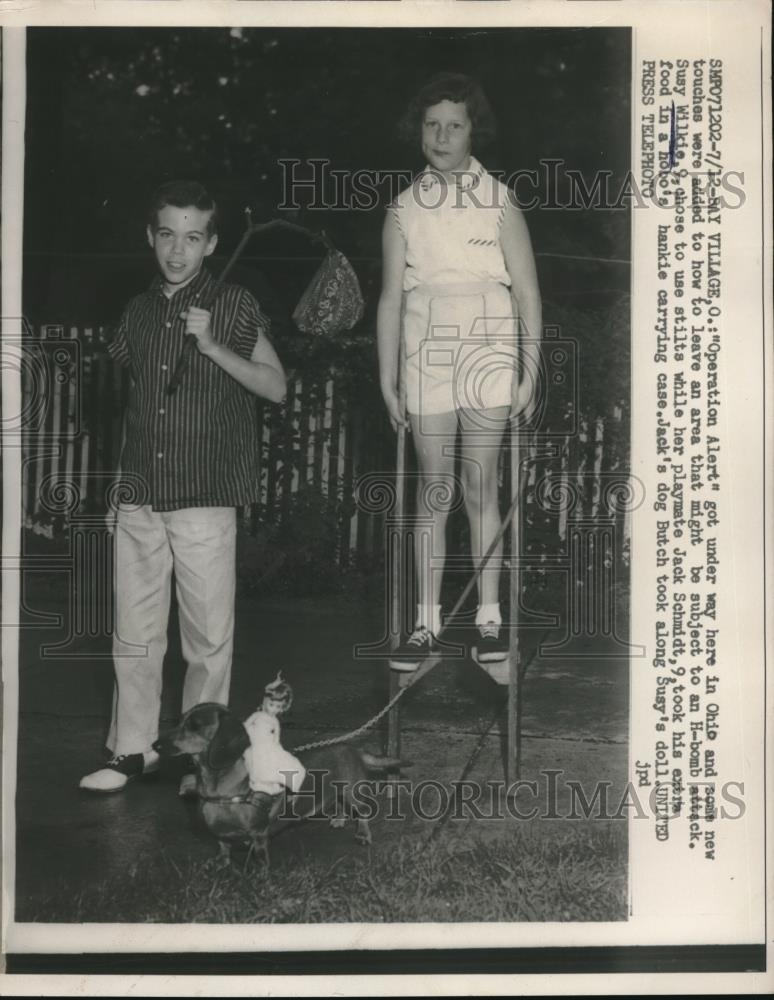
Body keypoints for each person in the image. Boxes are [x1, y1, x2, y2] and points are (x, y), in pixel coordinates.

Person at [80, 180, 287, 793]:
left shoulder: (234, 303)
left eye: (192, 237)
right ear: (151, 236)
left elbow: (275, 386)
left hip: (204, 492)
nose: (177, 250)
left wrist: (211, 343)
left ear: (212, 243)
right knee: (134, 630)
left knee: (206, 638)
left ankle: (204, 758)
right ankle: (131, 751)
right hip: (141, 487)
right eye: (167, 234)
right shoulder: (137, 312)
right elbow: (129, 391)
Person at [377, 73, 542, 671]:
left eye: (455, 124)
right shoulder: (402, 209)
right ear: (417, 130)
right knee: (435, 488)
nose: (441, 136)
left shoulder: (500, 200)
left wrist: (530, 368)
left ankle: (489, 620)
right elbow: (391, 299)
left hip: (489, 345)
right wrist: (386, 377)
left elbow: (526, 291)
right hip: (426, 349)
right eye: (431, 124)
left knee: (480, 484)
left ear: (474, 130)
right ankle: (424, 625)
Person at [243, 673, 306, 797]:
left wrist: (279, 751)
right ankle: (263, 784)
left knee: (289, 764)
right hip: (254, 747)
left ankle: (283, 788)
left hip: (270, 748)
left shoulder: (275, 721)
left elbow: (276, 739)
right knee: (260, 768)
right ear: (265, 702)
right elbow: (244, 727)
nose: (273, 709)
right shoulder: (257, 716)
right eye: (271, 705)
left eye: (278, 707)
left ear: (282, 708)